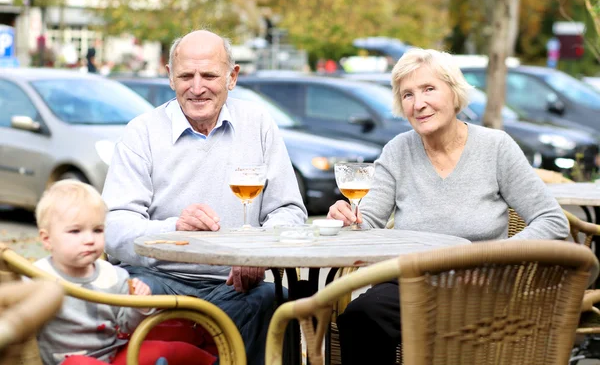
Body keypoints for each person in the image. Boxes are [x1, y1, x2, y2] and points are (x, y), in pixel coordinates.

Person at [327, 48, 569, 364]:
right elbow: (367, 223)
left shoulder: (495, 147)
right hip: (410, 285)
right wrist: (347, 218)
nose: (419, 103)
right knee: (361, 316)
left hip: (482, 286)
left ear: (454, 94)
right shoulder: (397, 151)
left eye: (429, 89)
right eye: (408, 95)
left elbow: (553, 221)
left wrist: (493, 260)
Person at [102, 29, 307, 364]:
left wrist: (255, 252)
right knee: (124, 296)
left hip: (234, 284)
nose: (197, 88)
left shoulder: (258, 124)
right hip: (158, 280)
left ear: (232, 77)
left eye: (209, 75)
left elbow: (288, 210)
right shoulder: (142, 133)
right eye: (186, 76)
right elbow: (113, 227)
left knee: (275, 299)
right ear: (170, 77)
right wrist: (173, 230)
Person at [33, 180, 215, 365]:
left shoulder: (113, 275)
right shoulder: (39, 275)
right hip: (67, 361)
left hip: (113, 355)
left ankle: (218, 360)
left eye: (97, 230)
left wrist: (139, 307)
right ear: (47, 240)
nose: (89, 239)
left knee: (170, 349)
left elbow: (126, 325)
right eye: (75, 231)